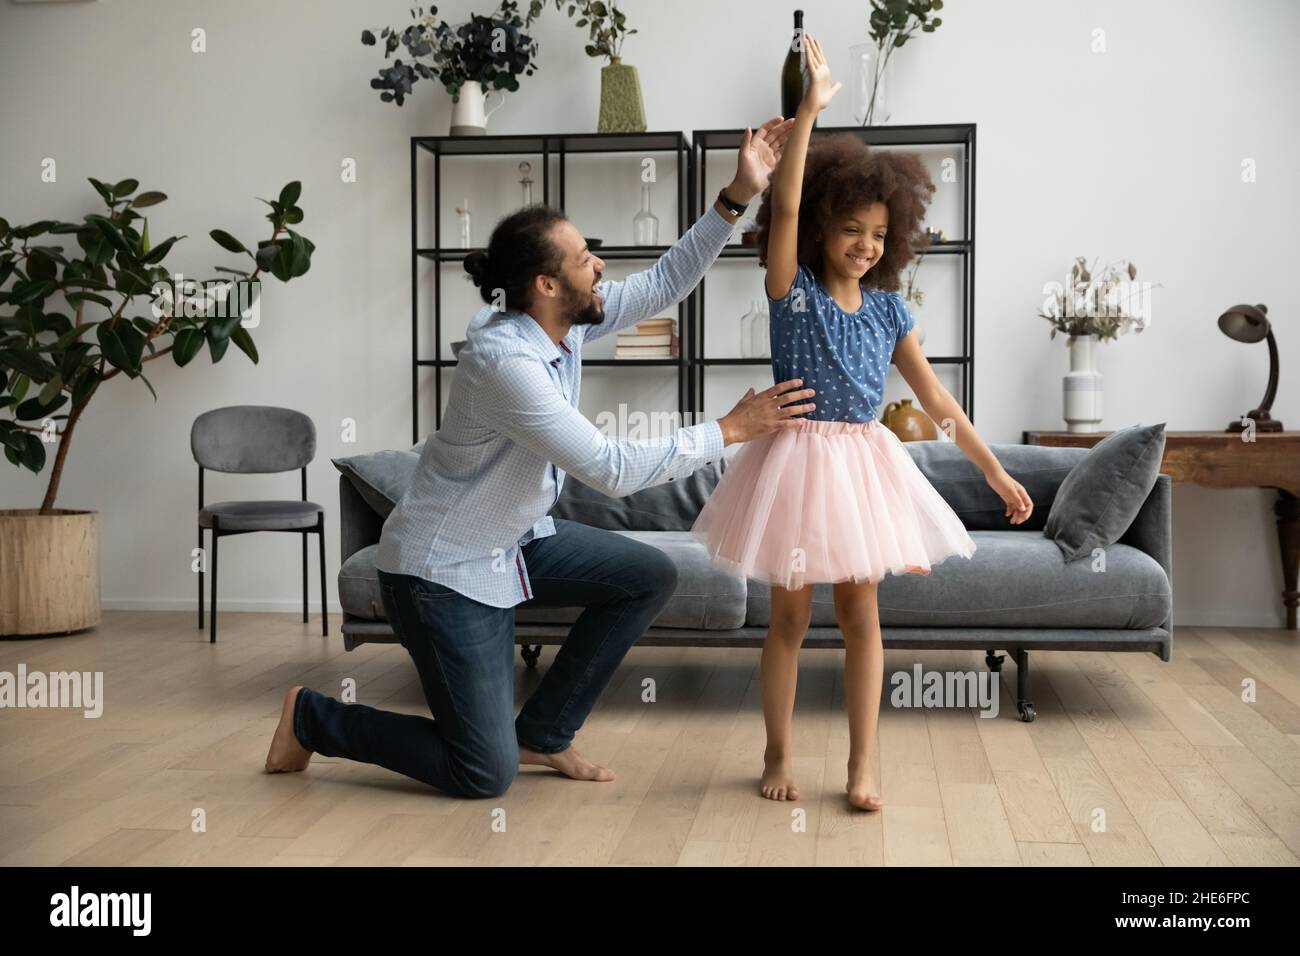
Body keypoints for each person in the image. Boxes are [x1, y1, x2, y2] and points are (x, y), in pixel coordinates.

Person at [264, 117, 819, 799]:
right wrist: (728, 430)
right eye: (586, 258)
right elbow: (611, 469)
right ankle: (313, 718)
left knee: (647, 576)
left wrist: (736, 195)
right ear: (546, 286)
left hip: (519, 543)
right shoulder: (506, 364)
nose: (601, 268)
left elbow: (663, 284)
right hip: (445, 574)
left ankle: (543, 733)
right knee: (481, 774)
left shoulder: (562, 319)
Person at [690, 36, 1033, 811]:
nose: (865, 244)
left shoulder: (886, 309)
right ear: (821, 227)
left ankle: (861, 767)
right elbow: (781, 199)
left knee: (861, 616)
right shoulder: (793, 289)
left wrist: (994, 469)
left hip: (863, 468)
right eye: (850, 228)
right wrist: (808, 111)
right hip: (793, 462)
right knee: (787, 617)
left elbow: (939, 404)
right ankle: (776, 752)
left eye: (878, 234)